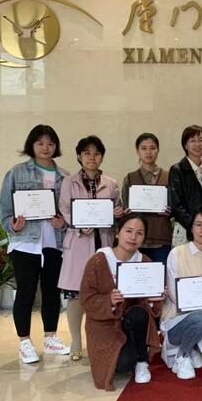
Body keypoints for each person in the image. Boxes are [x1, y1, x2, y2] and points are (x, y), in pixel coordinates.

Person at [0, 124, 70, 363]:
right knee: (25, 292)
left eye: (50, 143)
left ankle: (50, 337)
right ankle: (24, 342)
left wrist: (63, 223)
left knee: (52, 292)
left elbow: (70, 212)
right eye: (40, 143)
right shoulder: (16, 173)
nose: (46, 148)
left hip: (54, 242)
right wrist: (12, 226)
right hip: (25, 243)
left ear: (56, 146)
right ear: (32, 145)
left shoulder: (65, 176)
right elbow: (5, 210)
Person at [57, 135, 124, 361]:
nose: (92, 157)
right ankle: (76, 341)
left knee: (104, 294)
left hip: (103, 241)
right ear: (79, 156)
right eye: (87, 153)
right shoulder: (69, 182)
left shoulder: (111, 183)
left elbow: (118, 209)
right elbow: (65, 209)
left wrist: (117, 213)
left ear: (102, 156)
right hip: (78, 242)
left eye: (96, 153)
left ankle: (100, 341)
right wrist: (78, 223)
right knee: (76, 294)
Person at [80, 213, 164, 390]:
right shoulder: (99, 260)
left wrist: (154, 299)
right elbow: (86, 299)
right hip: (104, 327)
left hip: (132, 323)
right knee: (123, 365)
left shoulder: (144, 262)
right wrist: (108, 300)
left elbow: (150, 306)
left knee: (139, 313)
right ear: (117, 233)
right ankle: (132, 353)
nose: (133, 237)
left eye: (139, 233)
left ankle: (142, 361)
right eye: (128, 231)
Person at [161, 209, 202, 380]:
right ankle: (182, 355)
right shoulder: (177, 253)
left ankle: (192, 347)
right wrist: (195, 286)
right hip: (176, 318)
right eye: (199, 225)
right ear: (191, 228)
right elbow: (174, 294)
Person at [121, 133, 172, 264]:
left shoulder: (169, 176)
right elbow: (125, 205)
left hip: (161, 238)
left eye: (152, 148)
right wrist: (126, 212)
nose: (148, 152)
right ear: (137, 151)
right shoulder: (130, 178)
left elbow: (175, 206)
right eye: (143, 148)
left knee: (160, 275)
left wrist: (170, 212)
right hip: (136, 240)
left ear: (158, 150)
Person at [168, 125, 202, 247]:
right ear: (185, 145)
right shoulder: (177, 170)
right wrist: (194, 226)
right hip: (184, 229)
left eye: (201, 140)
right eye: (192, 141)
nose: (197, 144)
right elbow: (176, 205)